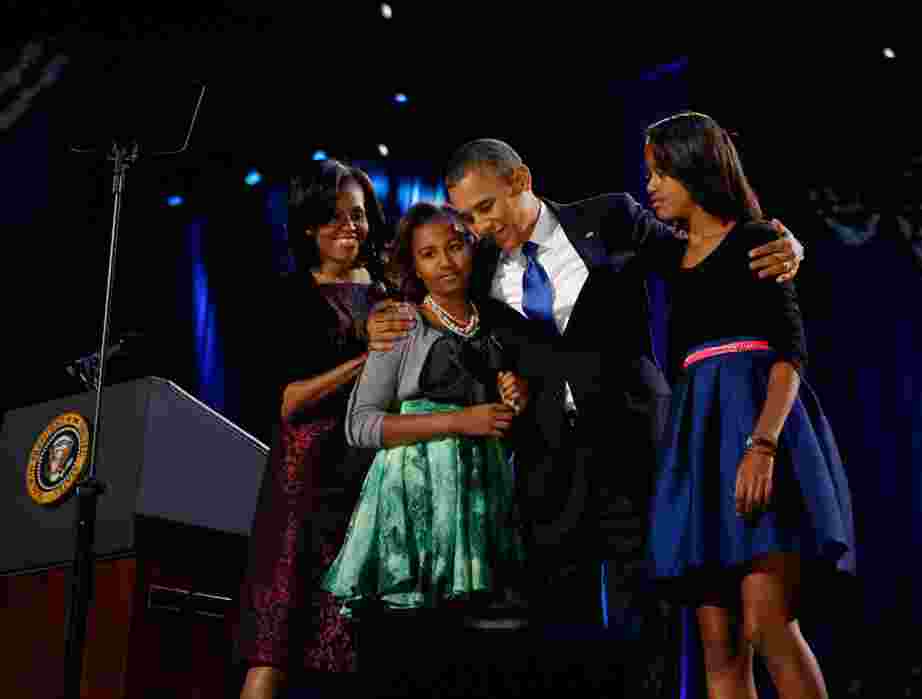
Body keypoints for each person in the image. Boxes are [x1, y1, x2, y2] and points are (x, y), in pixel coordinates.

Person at [365, 138, 806, 693]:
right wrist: (379, 320)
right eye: (468, 216)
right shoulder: (480, 271)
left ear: (520, 180)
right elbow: (434, 300)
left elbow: (698, 254)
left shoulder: (611, 217)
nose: (477, 228)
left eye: (486, 208)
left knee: (650, 618)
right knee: (557, 628)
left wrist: (782, 243)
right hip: (550, 464)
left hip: (639, 448)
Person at [642, 111, 855, 698]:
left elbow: (791, 355)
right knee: (720, 647)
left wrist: (762, 445)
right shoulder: (665, 256)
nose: (651, 186)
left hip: (756, 428)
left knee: (769, 628)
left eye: (661, 172)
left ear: (696, 166)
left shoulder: (759, 242)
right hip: (697, 442)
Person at [321, 202, 539, 695]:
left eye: (455, 247)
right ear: (413, 264)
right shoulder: (401, 324)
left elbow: (519, 423)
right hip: (412, 499)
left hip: (479, 497)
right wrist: (462, 420)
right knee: (410, 651)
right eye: (429, 254)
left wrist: (515, 400)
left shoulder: (501, 324)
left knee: (475, 658)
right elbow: (360, 425)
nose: (445, 262)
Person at [236, 159, 392, 699]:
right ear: (307, 226)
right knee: (277, 646)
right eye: (332, 217)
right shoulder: (286, 296)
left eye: (358, 214)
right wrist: (362, 360)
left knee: (358, 653)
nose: (349, 226)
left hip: (372, 481)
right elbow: (286, 402)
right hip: (303, 485)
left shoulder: (393, 290)